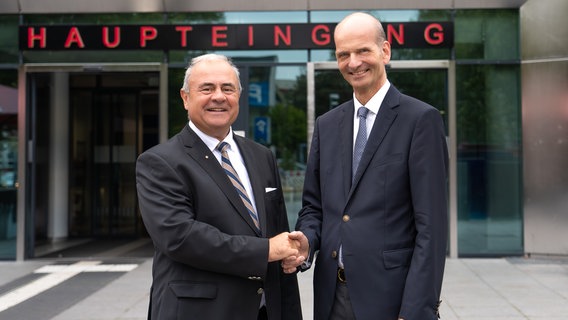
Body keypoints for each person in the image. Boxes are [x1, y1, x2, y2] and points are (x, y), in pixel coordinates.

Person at [284, 12, 448, 320]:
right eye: (343, 54)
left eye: (363, 51)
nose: (353, 62)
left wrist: (415, 310)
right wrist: (307, 240)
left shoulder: (420, 120)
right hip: (332, 297)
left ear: (385, 51)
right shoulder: (327, 125)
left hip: (392, 298)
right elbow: (314, 207)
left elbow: (432, 228)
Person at [136, 53, 302, 320]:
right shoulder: (159, 162)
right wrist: (267, 250)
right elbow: (179, 237)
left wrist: (292, 251)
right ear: (185, 97)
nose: (219, 97)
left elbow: (275, 231)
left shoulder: (261, 156)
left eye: (228, 88)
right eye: (207, 88)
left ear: (239, 95)